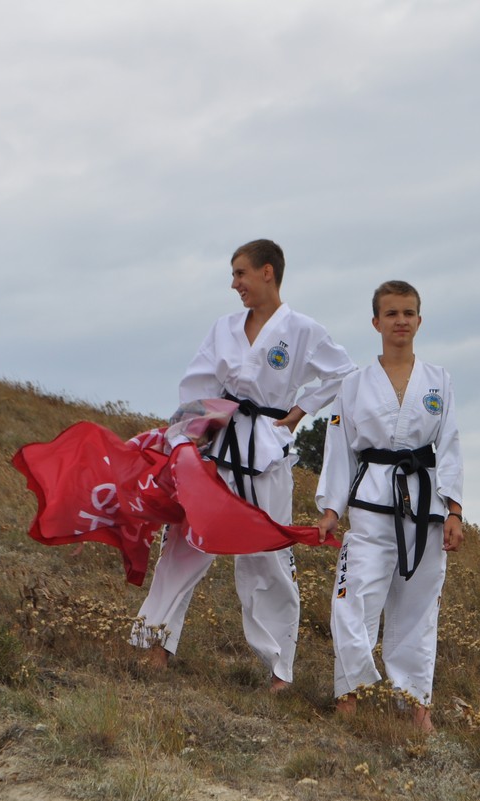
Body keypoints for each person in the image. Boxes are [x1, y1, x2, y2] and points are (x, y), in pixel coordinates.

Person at [131, 239, 355, 691]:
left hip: (267, 452)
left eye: (240, 273)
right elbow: (197, 383)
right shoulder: (225, 328)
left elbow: (344, 372)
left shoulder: (303, 330)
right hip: (217, 447)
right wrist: (188, 433)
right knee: (185, 543)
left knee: (267, 557)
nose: (235, 284)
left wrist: (301, 409)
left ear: (267, 272)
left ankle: (279, 668)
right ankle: (155, 643)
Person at [315, 280, 464, 732]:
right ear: (376, 322)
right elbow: (339, 448)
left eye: (408, 313)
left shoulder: (439, 380)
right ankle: (350, 693)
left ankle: (416, 705)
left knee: (419, 609)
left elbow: (450, 446)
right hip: (371, 503)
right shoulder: (354, 384)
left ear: (419, 320)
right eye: (392, 313)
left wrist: (455, 510)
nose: (401, 321)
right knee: (353, 599)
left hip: (426, 507)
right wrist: (331, 510)